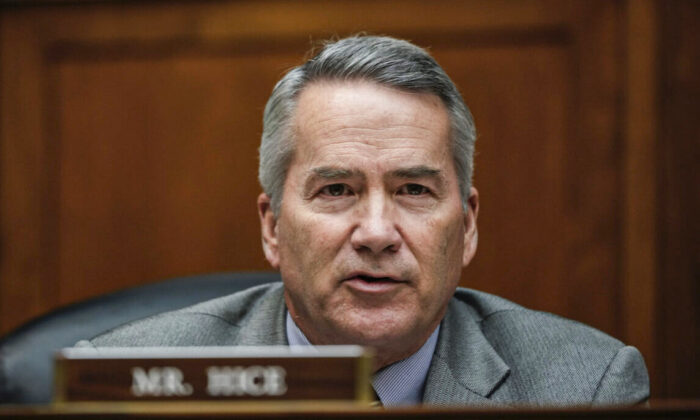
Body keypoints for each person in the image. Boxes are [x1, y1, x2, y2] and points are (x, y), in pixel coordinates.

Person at [80, 35, 649, 407]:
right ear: (272, 227)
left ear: (468, 225)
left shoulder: (586, 389)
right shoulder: (124, 385)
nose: (377, 233)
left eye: (414, 190)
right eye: (336, 190)